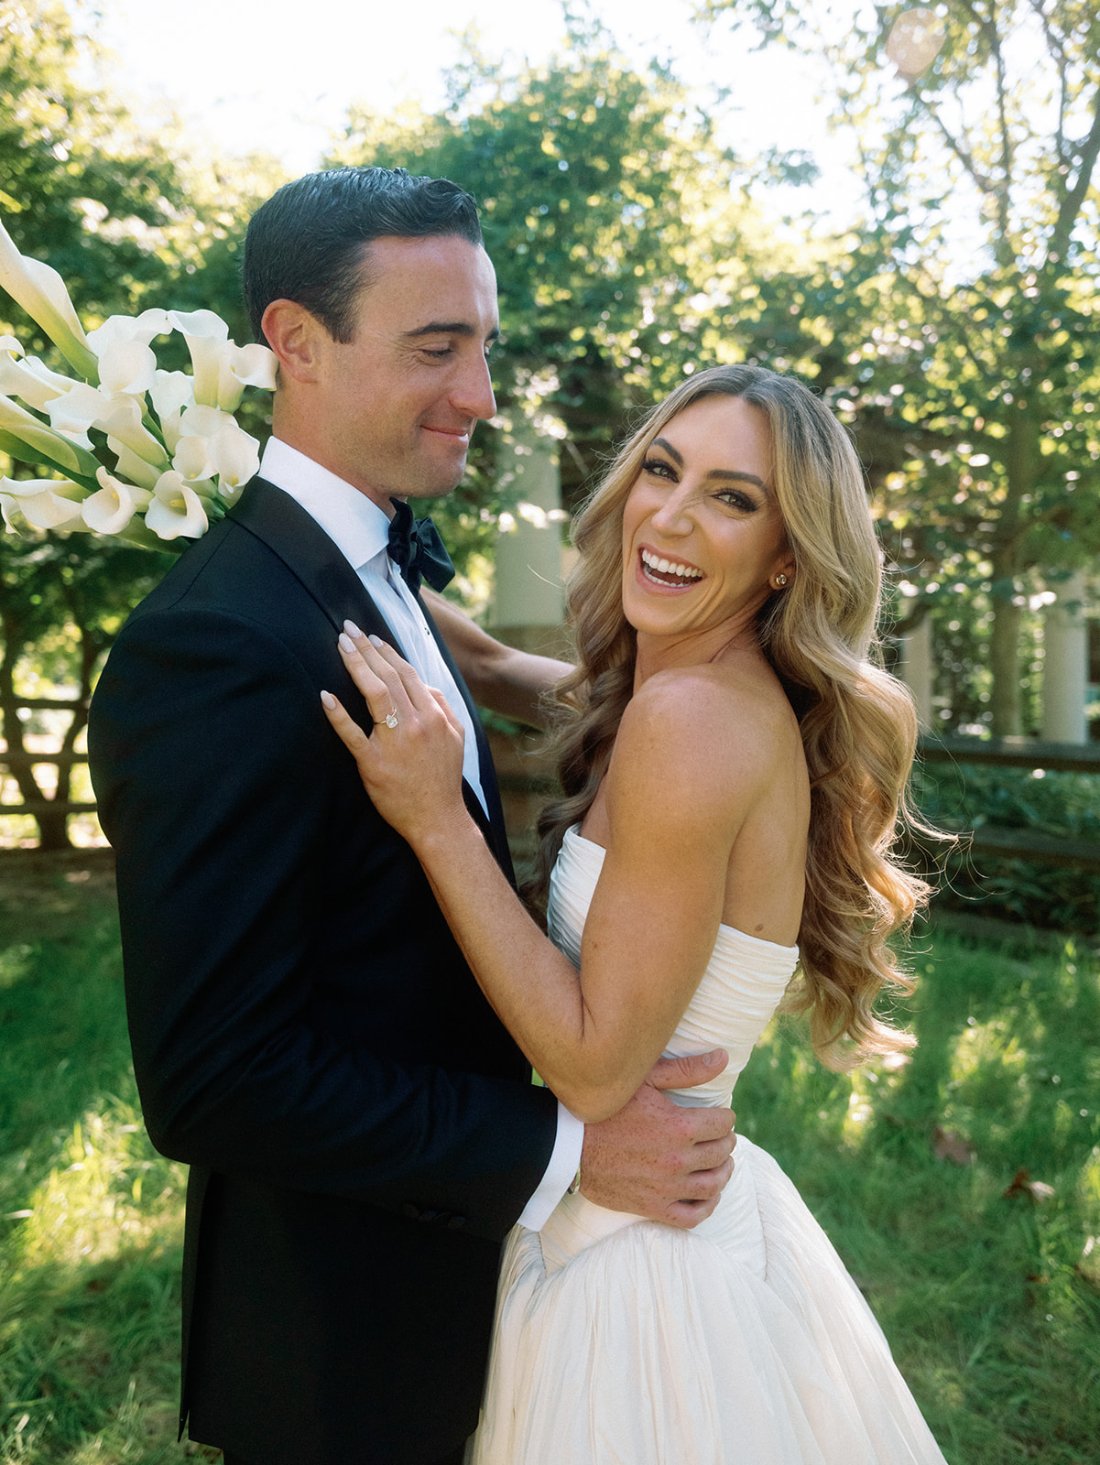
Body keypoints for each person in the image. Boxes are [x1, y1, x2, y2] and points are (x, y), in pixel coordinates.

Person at [86, 167, 739, 1465]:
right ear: (297, 345)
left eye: (484, 346)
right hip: (344, 1348)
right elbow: (219, 1083)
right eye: (437, 349)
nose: (482, 396)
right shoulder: (211, 650)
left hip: (473, 1301)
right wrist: (570, 1148)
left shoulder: (378, 561)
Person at [323, 363, 950, 1463]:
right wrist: (301, 520)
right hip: (658, 1204)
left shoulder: (691, 723)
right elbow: (477, 660)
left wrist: (435, 822)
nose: (668, 513)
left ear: (786, 555)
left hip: (636, 1261)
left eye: (730, 497)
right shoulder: (674, 690)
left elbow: (594, 1069)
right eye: (662, 469)